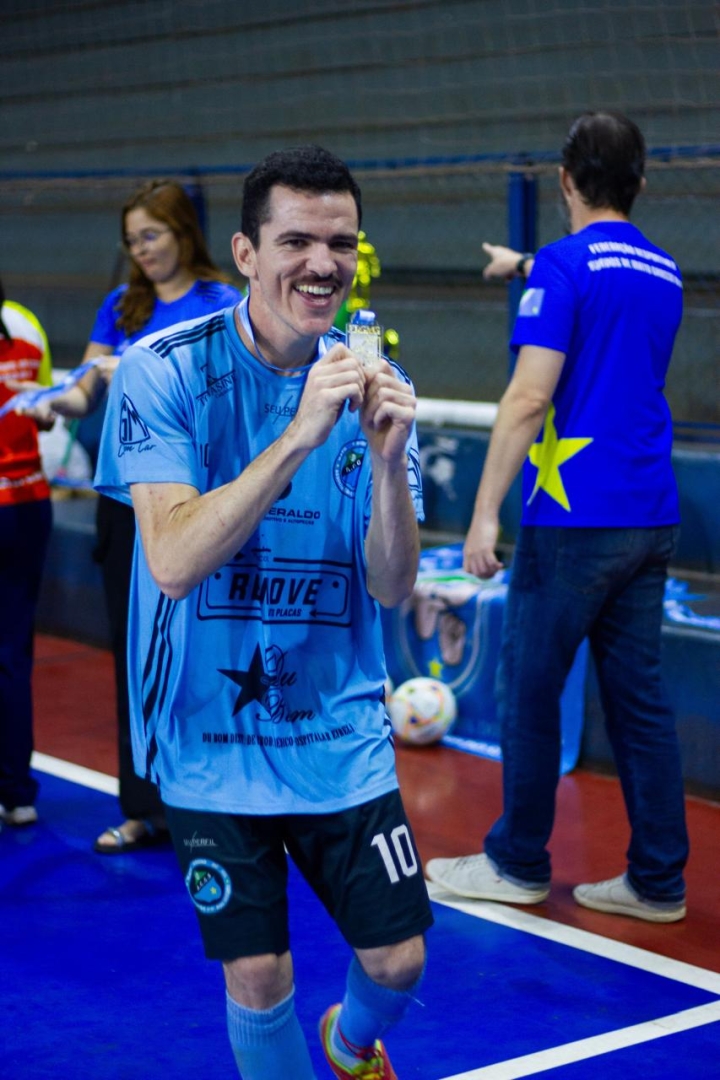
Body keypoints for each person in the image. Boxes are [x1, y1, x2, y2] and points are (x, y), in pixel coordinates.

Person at [94, 145, 432, 1080]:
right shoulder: (159, 371)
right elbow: (171, 562)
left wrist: (388, 467)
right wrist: (296, 437)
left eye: (341, 244)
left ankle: (350, 1044)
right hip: (206, 734)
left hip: (337, 730)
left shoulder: (376, 380)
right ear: (245, 253)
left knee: (399, 961)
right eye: (297, 242)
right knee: (257, 972)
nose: (323, 264)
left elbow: (392, 586)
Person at [426, 110, 689, 924]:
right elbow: (602, 285)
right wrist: (522, 265)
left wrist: (482, 517)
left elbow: (528, 398)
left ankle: (516, 862)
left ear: (565, 180)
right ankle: (658, 881)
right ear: (640, 183)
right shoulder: (665, 270)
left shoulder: (566, 268)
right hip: (650, 513)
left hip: (574, 523)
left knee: (531, 688)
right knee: (639, 700)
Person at [20, 180, 242, 853]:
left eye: (151, 235)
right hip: (127, 505)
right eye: (131, 240)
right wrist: (52, 404)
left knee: (209, 655)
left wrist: (147, 373)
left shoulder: (223, 303)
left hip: (203, 505)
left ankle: (216, 805)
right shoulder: (121, 305)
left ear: (182, 232)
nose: (141, 250)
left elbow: (231, 398)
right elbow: (83, 390)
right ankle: (143, 807)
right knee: (137, 657)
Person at [0, 281, 54, 826]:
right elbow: (47, 410)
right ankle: (17, 793)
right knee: (13, 653)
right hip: (29, 504)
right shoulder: (25, 323)